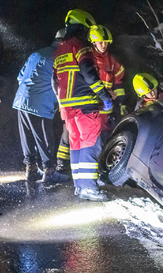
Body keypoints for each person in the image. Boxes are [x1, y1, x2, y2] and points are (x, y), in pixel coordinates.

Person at [52, 9, 113, 201]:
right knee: (90, 145)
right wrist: (104, 96)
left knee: (76, 145)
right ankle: (88, 188)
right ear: (83, 27)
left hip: (67, 109)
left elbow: (54, 80)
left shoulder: (60, 49)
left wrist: (62, 100)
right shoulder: (81, 47)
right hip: (85, 107)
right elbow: (89, 75)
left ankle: (80, 186)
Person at [12, 29, 71, 183]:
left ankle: (31, 169)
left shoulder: (37, 53)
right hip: (40, 104)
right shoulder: (59, 57)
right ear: (64, 42)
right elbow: (61, 84)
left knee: (27, 137)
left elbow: (20, 77)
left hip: (22, 100)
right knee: (45, 138)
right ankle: (49, 171)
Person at [89, 24, 126, 144]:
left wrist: (120, 100)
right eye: (100, 42)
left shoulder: (111, 60)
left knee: (106, 137)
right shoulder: (88, 59)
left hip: (107, 108)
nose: (104, 45)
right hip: (92, 107)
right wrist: (104, 92)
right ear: (94, 42)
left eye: (106, 42)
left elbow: (119, 80)